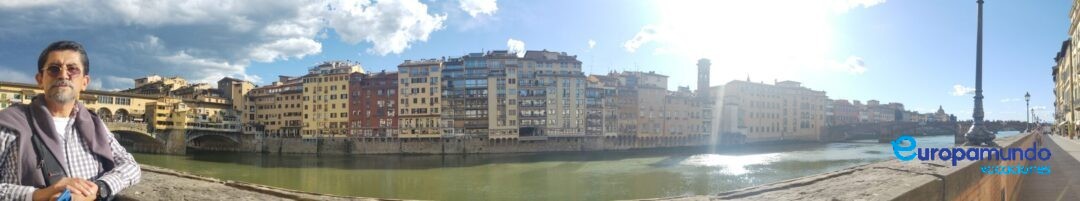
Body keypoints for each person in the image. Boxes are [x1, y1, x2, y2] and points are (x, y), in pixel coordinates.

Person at [0, 41, 141, 200]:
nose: (63, 75)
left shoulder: (95, 125)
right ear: (40, 79)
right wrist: (38, 195)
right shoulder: (8, 125)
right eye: (54, 69)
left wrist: (98, 189)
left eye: (72, 69)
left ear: (84, 82)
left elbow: (131, 166)